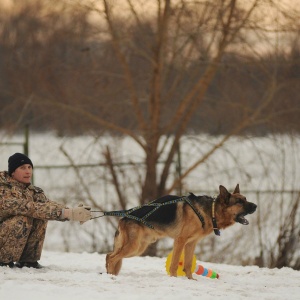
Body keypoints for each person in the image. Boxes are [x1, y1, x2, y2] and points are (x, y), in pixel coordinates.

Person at [0, 153, 92, 269]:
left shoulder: (32, 191)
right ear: (12, 172)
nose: (28, 171)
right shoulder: (3, 190)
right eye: (22, 168)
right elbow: (29, 208)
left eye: (29, 167)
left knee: (41, 217)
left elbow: (47, 205)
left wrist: (72, 212)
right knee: (24, 217)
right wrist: (68, 213)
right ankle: (3, 261)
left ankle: (28, 261)